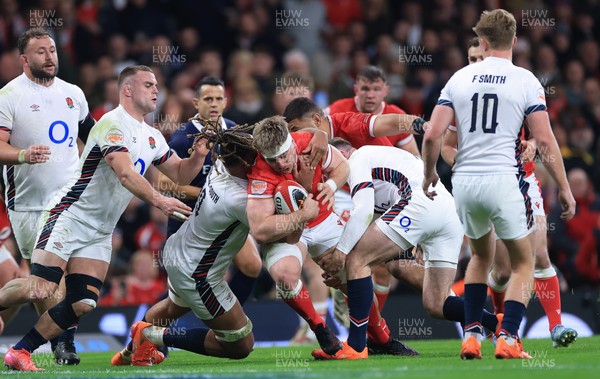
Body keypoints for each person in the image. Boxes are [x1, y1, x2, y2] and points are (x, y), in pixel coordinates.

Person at [0, 65, 207, 372]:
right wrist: (160, 199)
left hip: (100, 231)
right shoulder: (112, 124)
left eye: (156, 85)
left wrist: (199, 155)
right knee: (42, 288)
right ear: (127, 90)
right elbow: (124, 173)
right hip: (70, 217)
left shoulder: (151, 135)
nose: (155, 90)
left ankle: (20, 351)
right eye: (148, 84)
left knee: (84, 303)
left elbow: (179, 172)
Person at [422, 9, 575, 360]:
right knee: (524, 263)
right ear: (515, 42)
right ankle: (507, 337)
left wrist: (429, 173)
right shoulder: (525, 80)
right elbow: (546, 141)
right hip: (504, 180)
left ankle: (472, 335)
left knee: (479, 257)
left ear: (484, 41)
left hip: (465, 183)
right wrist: (564, 188)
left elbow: (432, 134)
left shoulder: (459, 79)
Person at [311, 139, 498, 360]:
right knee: (436, 303)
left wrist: (341, 255)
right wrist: (343, 269)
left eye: (328, 167)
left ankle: (356, 346)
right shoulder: (376, 170)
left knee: (357, 261)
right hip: (446, 213)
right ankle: (495, 322)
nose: (330, 175)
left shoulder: (357, 158)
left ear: (342, 153)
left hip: (418, 202)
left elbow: (363, 213)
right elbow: (377, 227)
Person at [112, 122, 261, 365]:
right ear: (246, 161)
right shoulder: (240, 198)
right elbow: (267, 233)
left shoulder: (220, 166)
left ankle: (133, 350)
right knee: (241, 344)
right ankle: (150, 334)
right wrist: (303, 213)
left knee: (172, 309)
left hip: (179, 251)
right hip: (198, 275)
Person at [0, 27, 97, 365]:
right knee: (43, 285)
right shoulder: (9, 95)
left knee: (72, 278)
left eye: (52, 49)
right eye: (40, 51)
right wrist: (23, 155)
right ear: (24, 59)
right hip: (28, 203)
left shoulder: (74, 93)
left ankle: (62, 345)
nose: (49, 56)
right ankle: (60, 343)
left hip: (68, 199)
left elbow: (94, 137)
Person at [159, 76, 261, 307]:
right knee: (181, 289)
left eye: (218, 99)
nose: (213, 104)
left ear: (226, 102)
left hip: (227, 214)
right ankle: (149, 328)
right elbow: (164, 182)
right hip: (189, 216)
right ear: (196, 103)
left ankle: (229, 322)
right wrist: (206, 193)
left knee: (252, 266)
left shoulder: (236, 131)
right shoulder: (182, 137)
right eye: (207, 99)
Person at [324, 65, 420, 156]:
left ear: (386, 91)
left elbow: (415, 158)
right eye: (365, 89)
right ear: (356, 90)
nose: (370, 95)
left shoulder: (397, 116)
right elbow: (315, 122)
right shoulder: (338, 109)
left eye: (376, 89)